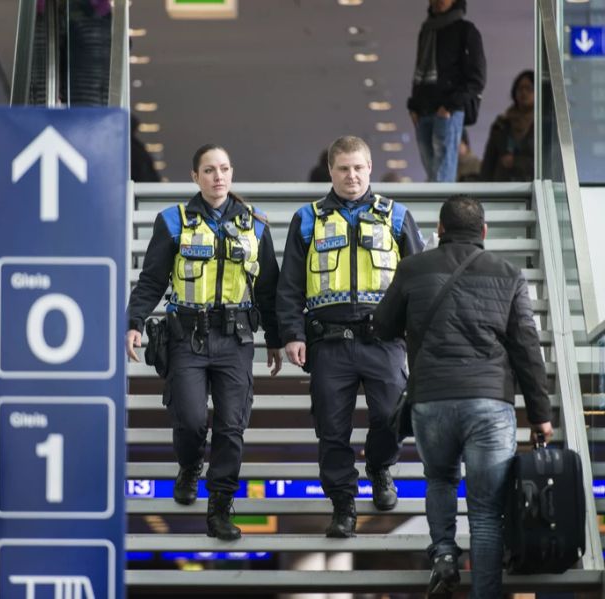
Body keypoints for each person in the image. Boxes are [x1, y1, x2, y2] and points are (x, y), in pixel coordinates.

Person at [372, 195, 554, 597]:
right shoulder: (508, 274)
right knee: (487, 513)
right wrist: (540, 413)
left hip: (432, 398)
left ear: (439, 229)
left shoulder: (413, 267)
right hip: (489, 402)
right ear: (484, 232)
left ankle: (444, 555)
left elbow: (382, 326)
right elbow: (527, 349)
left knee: (439, 479)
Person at [125, 144, 283, 540]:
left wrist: (278, 340)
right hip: (187, 337)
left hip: (236, 338)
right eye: (209, 170)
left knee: (231, 427)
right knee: (193, 421)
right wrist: (134, 323)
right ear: (195, 177)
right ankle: (190, 465)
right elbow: (151, 280)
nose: (219, 177)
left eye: (225, 169)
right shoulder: (173, 222)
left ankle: (219, 509)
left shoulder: (255, 224)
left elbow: (268, 290)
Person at [277, 135, 423, 538]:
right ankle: (343, 504)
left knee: (393, 418)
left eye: (358, 167)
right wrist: (291, 333)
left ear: (370, 168)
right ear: (331, 171)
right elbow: (289, 285)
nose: (352, 176)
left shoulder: (396, 216)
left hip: (385, 340)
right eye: (343, 168)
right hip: (329, 343)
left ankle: (379, 468)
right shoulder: (307, 219)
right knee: (332, 430)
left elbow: (421, 279)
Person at [407, 0, 486, 183]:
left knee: (442, 174)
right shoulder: (426, 30)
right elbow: (419, 69)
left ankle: (441, 210)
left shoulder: (466, 30)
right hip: (423, 109)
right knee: (432, 171)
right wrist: (413, 107)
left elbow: (477, 77)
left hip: (448, 110)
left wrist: (450, 106)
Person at [480, 69, 535, 182]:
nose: (523, 92)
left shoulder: (544, 125)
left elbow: (549, 163)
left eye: (529, 88)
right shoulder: (502, 123)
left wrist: (516, 162)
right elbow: (489, 162)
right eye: (520, 89)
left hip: (532, 188)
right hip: (502, 187)